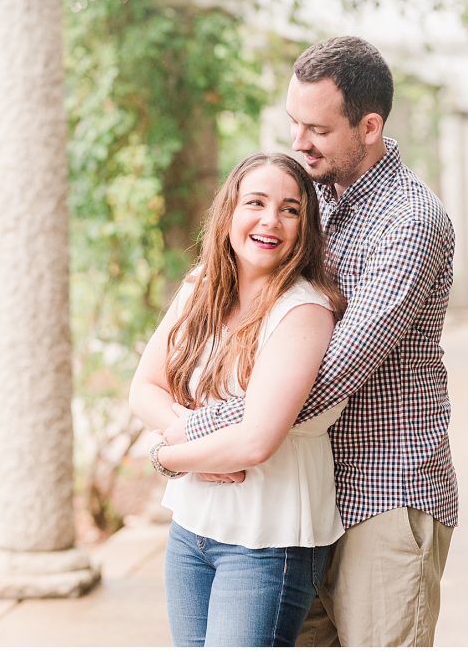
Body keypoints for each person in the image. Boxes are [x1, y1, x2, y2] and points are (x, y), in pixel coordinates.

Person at [164, 36, 459, 646]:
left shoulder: (411, 222)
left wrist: (191, 436)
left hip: (384, 491)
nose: (299, 142)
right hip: (300, 502)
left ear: (370, 126)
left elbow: (325, 377)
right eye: (294, 122)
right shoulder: (309, 200)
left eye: (317, 129)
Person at [129, 151, 348, 647]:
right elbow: (144, 388)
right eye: (257, 202)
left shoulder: (304, 310)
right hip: (191, 529)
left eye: (290, 209)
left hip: (266, 541)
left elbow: (255, 442)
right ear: (229, 211)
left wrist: (167, 456)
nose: (271, 220)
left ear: (304, 227)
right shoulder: (199, 288)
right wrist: (195, 460)